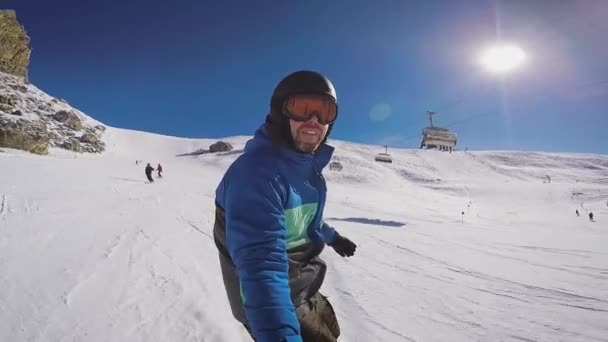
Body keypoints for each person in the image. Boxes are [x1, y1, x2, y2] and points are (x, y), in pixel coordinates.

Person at [213, 70, 357, 342]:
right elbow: (261, 266)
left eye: (324, 111)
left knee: (332, 331)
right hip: (273, 296)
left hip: (303, 282)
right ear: (281, 113)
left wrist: (334, 238)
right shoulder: (256, 175)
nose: (313, 120)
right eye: (303, 108)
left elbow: (307, 221)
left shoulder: (306, 171)